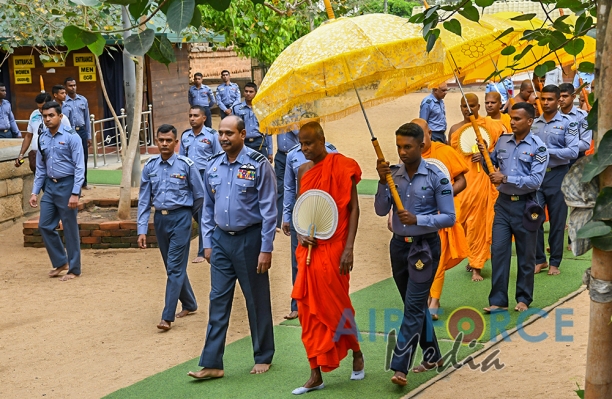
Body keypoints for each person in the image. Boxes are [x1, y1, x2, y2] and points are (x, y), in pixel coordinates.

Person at [189, 115, 277, 379]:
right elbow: (207, 208)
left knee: (256, 299)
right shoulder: (213, 165)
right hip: (220, 241)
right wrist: (207, 242)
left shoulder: (258, 164)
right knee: (217, 300)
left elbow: (269, 210)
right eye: (221, 133)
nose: (224, 138)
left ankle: (263, 356)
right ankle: (212, 362)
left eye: (230, 133)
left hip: (250, 240)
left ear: (242, 134)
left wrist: (266, 247)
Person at [374, 122, 455, 386]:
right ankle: (433, 355)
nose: (402, 152)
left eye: (407, 147)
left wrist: (418, 218)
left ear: (421, 146)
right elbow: (379, 208)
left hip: (424, 248)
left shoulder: (436, 176)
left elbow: (449, 217)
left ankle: (400, 367)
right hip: (398, 246)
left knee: (412, 307)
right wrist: (380, 180)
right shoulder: (392, 174)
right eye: (399, 147)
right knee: (415, 306)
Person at [290, 121, 364, 394]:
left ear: (322, 140)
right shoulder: (302, 171)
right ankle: (315, 372)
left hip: (335, 248)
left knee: (337, 305)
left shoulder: (343, 165)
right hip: (309, 250)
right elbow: (303, 210)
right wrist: (300, 233)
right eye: (301, 144)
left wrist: (349, 248)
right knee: (308, 311)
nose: (305, 148)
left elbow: (354, 209)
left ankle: (356, 351)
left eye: (309, 143)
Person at [478, 103, 548, 313]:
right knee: (499, 251)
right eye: (511, 118)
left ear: (529, 121)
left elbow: (535, 181)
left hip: (526, 205)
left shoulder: (539, 147)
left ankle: (524, 298)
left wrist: (506, 177)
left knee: (526, 255)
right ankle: (498, 301)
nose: (513, 122)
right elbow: (490, 167)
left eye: (517, 119)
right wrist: (484, 155)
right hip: (503, 204)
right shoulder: (502, 142)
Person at [137, 124, 204, 331]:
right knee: (171, 266)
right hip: (161, 220)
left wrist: (197, 222)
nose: (164, 144)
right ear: (156, 141)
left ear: (176, 143)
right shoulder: (150, 166)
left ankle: (167, 317)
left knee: (174, 267)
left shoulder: (186, 165)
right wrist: (141, 229)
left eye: (168, 140)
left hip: (181, 218)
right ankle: (190, 303)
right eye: (161, 140)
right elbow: (143, 199)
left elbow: (199, 195)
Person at [412, 118, 469, 319]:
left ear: (429, 134)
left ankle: (434, 300)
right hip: (418, 216)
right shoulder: (410, 153)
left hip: (442, 214)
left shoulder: (444, 152)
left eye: (422, 135)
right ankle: (426, 296)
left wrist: (443, 197)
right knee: (422, 257)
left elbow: (462, 180)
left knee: (438, 256)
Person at [449, 94, 504, 281]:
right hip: (463, 182)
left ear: (478, 106)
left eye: (471, 106)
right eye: (464, 106)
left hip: (482, 179)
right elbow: (452, 156)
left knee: (478, 223)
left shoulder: (490, 126)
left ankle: (476, 266)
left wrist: (485, 154)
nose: (468, 109)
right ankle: (470, 255)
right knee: (462, 221)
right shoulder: (455, 129)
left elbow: (498, 150)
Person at [281, 139, 337, 320]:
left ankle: (322, 303)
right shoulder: (292, 155)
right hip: (302, 214)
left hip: (324, 215)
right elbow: (290, 188)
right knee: (298, 260)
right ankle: (297, 304)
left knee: (324, 262)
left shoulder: (332, 153)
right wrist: (287, 216)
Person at [29, 101, 84, 281]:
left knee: (69, 227)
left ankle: (74, 269)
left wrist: (75, 193)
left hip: (67, 185)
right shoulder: (42, 137)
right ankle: (61, 261)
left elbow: (79, 167)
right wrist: (34, 192)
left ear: (60, 116)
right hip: (49, 186)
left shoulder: (71, 137)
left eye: (51, 115)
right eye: (44, 116)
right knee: (44, 225)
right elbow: (40, 168)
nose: (47, 119)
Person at [531, 85, 579, 276]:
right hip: (537, 176)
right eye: (543, 99)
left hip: (559, 175)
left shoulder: (568, 123)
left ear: (558, 100)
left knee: (558, 222)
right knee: (533, 217)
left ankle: (555, 262)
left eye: (550, 99)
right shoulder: (534, 124)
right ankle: (539, 259)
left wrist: (546, 151)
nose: (545, 102)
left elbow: (573, 151)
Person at [179, 105, 222, 263]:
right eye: (190, 115)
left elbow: (218, 158)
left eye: (196, 115)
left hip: (206, 176)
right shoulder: (185, 136)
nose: (192, 118)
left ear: (204, 118)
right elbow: (181, 159)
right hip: (190, 176)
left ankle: (203, 251)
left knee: (204, 212)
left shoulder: (212, 135)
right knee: (191, 209)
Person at [15, 93, 71, 167]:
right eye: (39, 108)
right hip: (36, 155)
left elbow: (69, 136)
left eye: (42, 107)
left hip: (54, 156)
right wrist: (21, 154)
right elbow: (28, 136)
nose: (41, 110)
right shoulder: (34, 114)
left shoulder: (61, 117)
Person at [62, 77, 91, 190]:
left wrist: (88, 135)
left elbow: (87, 118)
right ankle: (72, 184)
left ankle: (83, 183)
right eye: (70, 85)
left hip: (82, 131)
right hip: (70, 132)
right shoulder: (63, 102)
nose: (73, 87)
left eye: (74, 85)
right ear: (66, 87)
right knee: (71, 157)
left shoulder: (83, 100)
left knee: (83, 157)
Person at [232, 82, 273, 160]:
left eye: (251, 92)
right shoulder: (236, 108)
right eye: (246, 91)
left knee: (261, 168)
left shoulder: (263, 109)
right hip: (243, 143)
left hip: (259, 143)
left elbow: (268, 131)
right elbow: (233, 128)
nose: (248, 93)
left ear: (256, 93)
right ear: (243, 93)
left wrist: (270, 152)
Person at [274, 127, 299, 229]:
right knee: (279, 187)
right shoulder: (279, 116)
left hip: (294, 156)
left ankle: (292, 219)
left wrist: (289, 122)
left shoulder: (298, 115)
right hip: (280, 155)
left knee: (293, 187)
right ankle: (277, 222)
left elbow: (298, 132)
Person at [559, 83, 591, 161]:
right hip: (558, 158)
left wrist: (564, 146)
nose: (561, 99)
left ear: (573, 97)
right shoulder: (553, 114)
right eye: (559, 96)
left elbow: (585, 143)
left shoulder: (582, 116)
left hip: (576, 157)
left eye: (565, 96)